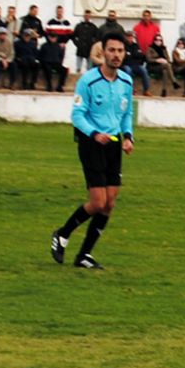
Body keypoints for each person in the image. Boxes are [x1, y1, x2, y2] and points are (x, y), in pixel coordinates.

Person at [51, 31, 135, 270]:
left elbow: (127, 113)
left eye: (120, 51)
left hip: (114, 144)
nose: (116, 55)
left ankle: (84, 255)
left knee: (109, 204)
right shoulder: (88, 80)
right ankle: (62, 234)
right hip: (91, 143)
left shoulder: (126, 82)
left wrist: (128, 137)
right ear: (103, 52)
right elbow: (77, 114)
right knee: (98, 202)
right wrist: (93, 133)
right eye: (112, 50)